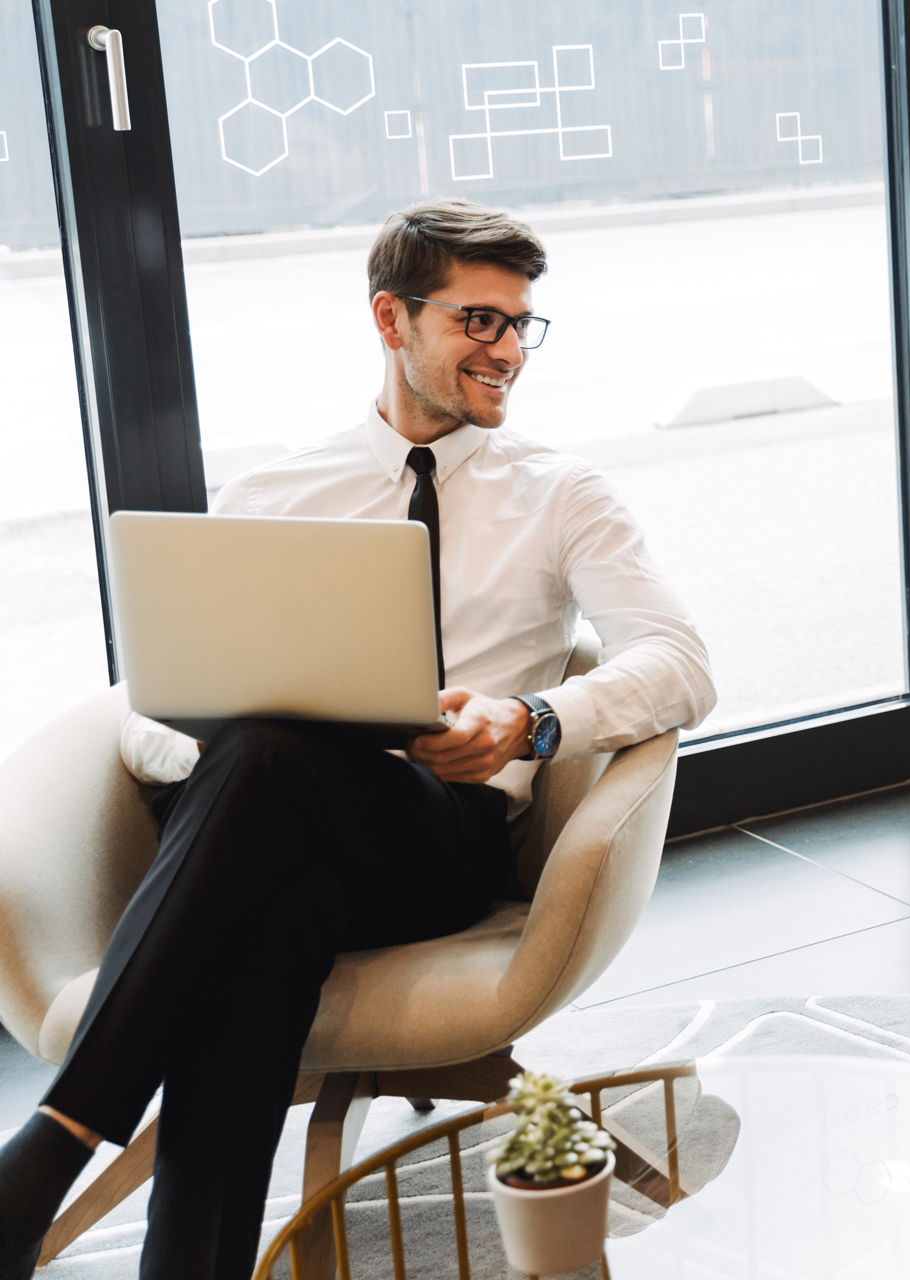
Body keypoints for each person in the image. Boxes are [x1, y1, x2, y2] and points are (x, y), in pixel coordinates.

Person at [0, 198, 716, 1278]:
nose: (510, 349)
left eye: (524, 324)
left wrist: (529, 720)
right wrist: (229, 741)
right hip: (266, 841)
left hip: (439, 844)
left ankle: (47, 1151)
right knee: (279, 899)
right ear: (392, 317)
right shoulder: (277, 493)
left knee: (274, 764)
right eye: (480, 320)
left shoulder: (561, 492)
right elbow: (147, 713)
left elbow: (681, 661)